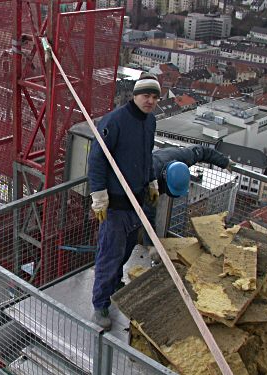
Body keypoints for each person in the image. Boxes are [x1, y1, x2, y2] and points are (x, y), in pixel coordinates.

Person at [87, 73, 160, 330]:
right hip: (115, 204)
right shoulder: (115, 121)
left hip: (136, 201)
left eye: (154, 97)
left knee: (127, 248)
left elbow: (147, 155)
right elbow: (97, 158)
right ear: (135, 95)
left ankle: (115, 282)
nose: (150, 101)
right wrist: (99, 195)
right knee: (110, 252)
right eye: (145, 95)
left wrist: (151, 181)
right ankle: (100, 304)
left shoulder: (149, 122)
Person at [141, 145, 235, 262]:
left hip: (160, 163)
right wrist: (151, 245)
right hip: (136, 176)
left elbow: (202, 151)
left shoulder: (184, 158)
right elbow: (147, 214)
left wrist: (224, 162)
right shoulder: (149, 178)